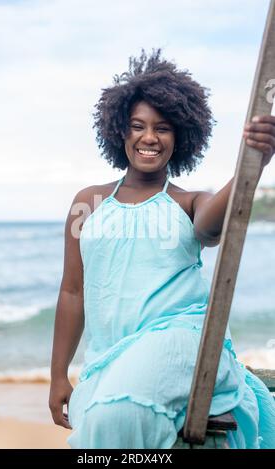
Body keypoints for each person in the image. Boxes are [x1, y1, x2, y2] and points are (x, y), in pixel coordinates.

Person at [49, 49, 275, 449]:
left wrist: (250, 166)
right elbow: (72, 291)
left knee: (118, 415)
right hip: (109, 358)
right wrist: (57, 375)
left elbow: (211, 228)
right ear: (120, 131)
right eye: (138, 126)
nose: (149, 138)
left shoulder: (189, 203)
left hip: (178, 339)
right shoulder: (88, 201)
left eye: (163, 128)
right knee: (102, 421)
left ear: (182, 136)